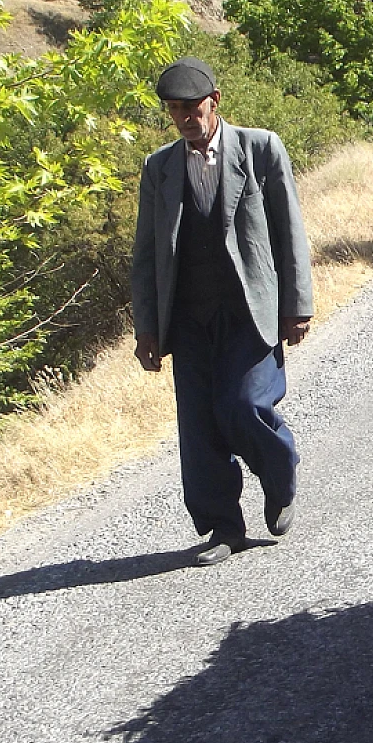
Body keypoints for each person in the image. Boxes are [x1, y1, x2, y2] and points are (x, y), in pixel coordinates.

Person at [130, 57, 314, 565]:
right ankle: (223, 529)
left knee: (244, 405)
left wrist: (296, 306)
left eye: (193, 106)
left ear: (216, 101)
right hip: (189, 316)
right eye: (176, 110)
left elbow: (289, 231)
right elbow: (146, 253)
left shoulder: (260, 149)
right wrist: (147, 328)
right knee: (199, 426)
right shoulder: (159, 167)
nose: (186, 117)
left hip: (249, 309)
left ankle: (280, 477)